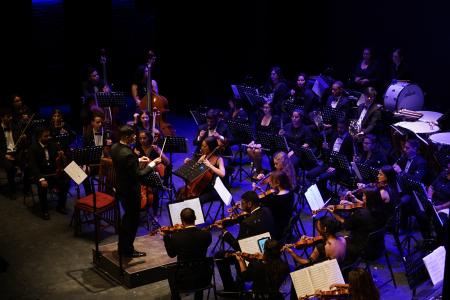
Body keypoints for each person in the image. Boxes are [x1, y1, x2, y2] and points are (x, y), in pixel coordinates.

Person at [111, 125, 162, 258]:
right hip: (131, 192)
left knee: (126, 219)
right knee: (132, 222)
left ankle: (122, 247)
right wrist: (152, 164)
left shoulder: (115, 147)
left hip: (120, 188)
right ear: (126, 137)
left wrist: (138, 160)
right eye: (133, 136)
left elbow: (124, 164)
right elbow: (138, 175)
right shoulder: (128, 153)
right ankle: (128, 250)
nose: (135, 137)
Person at [214, 191, 276, 292]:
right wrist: (242, 212)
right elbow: (251, 216)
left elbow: (237, 246)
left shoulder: (247, 223)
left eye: (242, 203)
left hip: (255, 255)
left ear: (250, 204)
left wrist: (224, 232)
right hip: (269, 249)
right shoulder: (266, 210)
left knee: (219, 256)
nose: (240, 205)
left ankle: (231, 289)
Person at [162, 208, 212, 300]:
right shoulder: (206, 235)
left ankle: (176, 297)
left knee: (170, 270)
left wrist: (166, 237)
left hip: (184, 280)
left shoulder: (176, 237)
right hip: (204, 278)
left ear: (181, 220)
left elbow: (172, 254)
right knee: (199, 265)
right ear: (195, 218)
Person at [28, 127, 70, 220]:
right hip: (40, 174)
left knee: (65, 182)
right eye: (46, 136)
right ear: (39, 137)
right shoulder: (32, 148)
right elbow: (33, 166)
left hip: (52, 173)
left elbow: (57, 161)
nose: (48, 137)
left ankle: (61, 206)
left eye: (49, 135)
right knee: (42, 187)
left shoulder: (53, 145)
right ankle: (45, 210)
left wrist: (61, 155)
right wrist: (41, 179)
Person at [134, 130, 170, 215]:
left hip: (152, 174)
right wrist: (135, 155)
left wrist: (159, 151)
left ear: (149, 138)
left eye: (144, 138)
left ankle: (155, 213)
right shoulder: (137, 148)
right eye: (140, 138)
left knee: (154, 191)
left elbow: (167, 162)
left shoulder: (155, 148)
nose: (142, 140)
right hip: (140, 173)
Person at [247, 101, 280, 177]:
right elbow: (256, 131)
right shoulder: (261, 117)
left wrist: (260, 144)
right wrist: (253, 141)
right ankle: (260, 169)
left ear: (271, 108)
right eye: (264, 107)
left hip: (270, 143)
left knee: (257, 151)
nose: (265, 109)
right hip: (260, 141)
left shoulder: (275, 118)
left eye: (267, 107)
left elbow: (274, 135)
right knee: (249, 149)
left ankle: (258, 171)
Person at [259, 170, 294, 240]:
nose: (269, 183)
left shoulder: (274, 199)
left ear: (278, 183)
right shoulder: (290, 192)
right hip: (285, 220)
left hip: (277, 227)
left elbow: (260, 203)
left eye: (271, 181)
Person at [0, 108, 20, 199]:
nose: (10, 118)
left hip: (15, 152)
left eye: (11, 116)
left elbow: (21, 144)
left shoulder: (15, 127)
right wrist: (5, 155)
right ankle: (12, 190)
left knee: (28, 164)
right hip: (3, 154)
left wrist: (23, 139)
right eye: (8, 117)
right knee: (10, 167)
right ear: (2, 118)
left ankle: (27, 188)